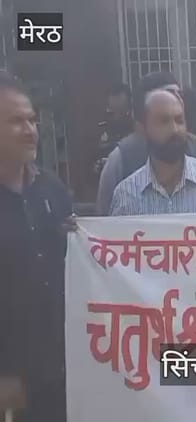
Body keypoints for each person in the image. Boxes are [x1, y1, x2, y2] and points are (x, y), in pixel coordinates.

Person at [0, 71, 76, 422]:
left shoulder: (52, 189)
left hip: (64, 373)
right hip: (11, 386)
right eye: (16, 121)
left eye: (32, 120)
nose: (30, 130)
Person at [110, 89, 196, 219]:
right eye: (164, 121)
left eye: (179, 120)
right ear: (144, 129)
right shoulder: (126, 195)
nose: (174, 129)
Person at [96, 71, 196, 215]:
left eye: (179, 94)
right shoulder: (121, 158)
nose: (177, 100)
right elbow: (104, 219)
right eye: (168, 94)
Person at [95, 83, 133, 175]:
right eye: (113, 96)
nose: (115, 101)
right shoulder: (103, 125)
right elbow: (96, 154)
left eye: (118, 96)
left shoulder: (133, 125)